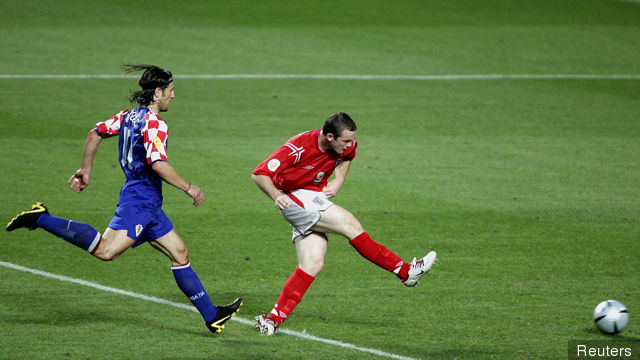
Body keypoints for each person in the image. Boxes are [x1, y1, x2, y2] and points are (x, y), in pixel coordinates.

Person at [6, 64, 242, 335]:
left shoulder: (128, 117)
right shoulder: (155, 124)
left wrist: (86, 170)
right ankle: (41, 217)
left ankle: (212, 316)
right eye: (171, 91)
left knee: (179, 253)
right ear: (157, 93)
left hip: (148, 203)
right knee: (106, 251)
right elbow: (158, 164)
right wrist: (189, 188)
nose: (173, 96)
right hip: (140, 199)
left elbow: (95, 133)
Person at [251, 112, 437, 335]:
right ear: (330, 136)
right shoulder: (297, 147)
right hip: (294, 198)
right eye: (345, 141)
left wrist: (339, 180)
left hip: (311, 196)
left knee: (312, 264)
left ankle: (272, 320)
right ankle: (404, 271)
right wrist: (275, 195)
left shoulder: (345, 146)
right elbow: (259, 174)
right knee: (350, 224)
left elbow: (347, 157)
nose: (350, 144)